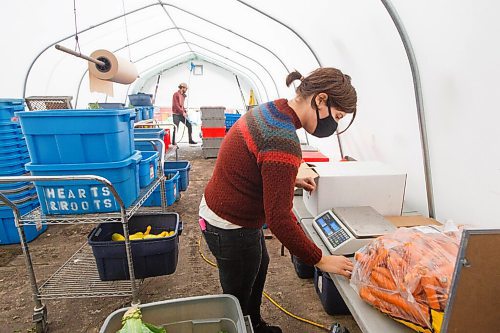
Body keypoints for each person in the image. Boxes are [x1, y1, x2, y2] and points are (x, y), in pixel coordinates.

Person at [199, 67, 358, 333]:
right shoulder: (282, 138)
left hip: (224, 209)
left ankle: (255, 324)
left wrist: (288, 178)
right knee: (238, 294)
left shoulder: (273, 110)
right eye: (337, 116)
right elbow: (279, 220)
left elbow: (254, 159)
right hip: (229, 225)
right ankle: (242, 326)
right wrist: (320, 259)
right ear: (320, 99)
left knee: (260, 265)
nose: (335, 124)